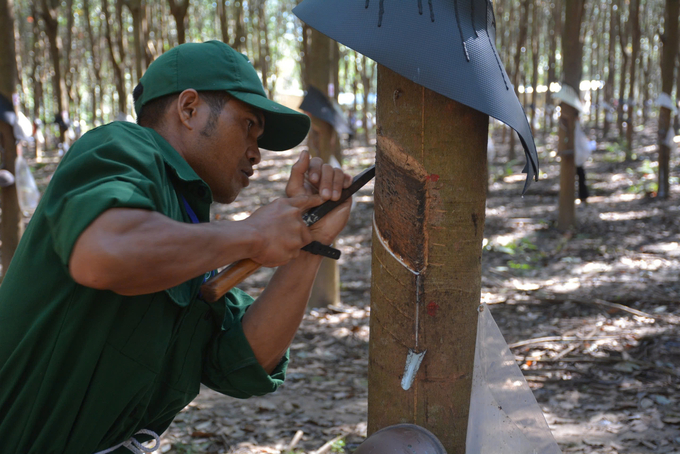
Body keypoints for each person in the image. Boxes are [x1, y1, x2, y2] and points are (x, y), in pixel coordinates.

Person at [0, 40, 353, 454]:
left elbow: (243, 362)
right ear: (189, 109)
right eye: (249, 126)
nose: (256, 153)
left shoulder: (188, 222)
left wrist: (311, 243)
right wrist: (252, 234)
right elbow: (105, 253)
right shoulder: (122, 147)